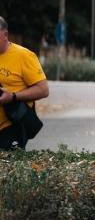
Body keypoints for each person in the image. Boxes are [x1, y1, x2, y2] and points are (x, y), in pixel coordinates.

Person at [0, 16, 49, 150]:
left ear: (5, 35)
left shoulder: (24, 56)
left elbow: (43, 90)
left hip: (11, 126)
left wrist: (13, 96)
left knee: (8, 168)